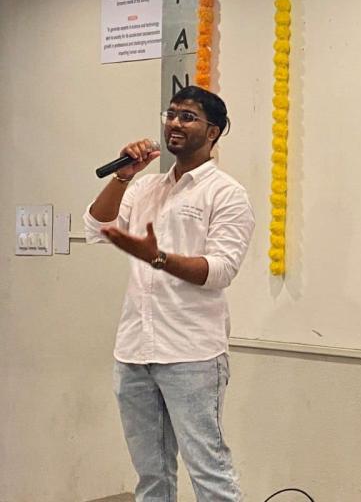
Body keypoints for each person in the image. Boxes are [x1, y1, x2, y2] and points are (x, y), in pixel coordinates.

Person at [84, 86, 255, 502]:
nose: (174, 123)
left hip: (191, 354)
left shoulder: (226, 193)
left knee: (210, 473)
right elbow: (97, 227)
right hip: (134, 351)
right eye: (171, 114)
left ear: (213, 132)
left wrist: (158, 258)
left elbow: (220, 270)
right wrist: (124, 176)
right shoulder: (145, 188)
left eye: (188, 117)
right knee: (152, 476)